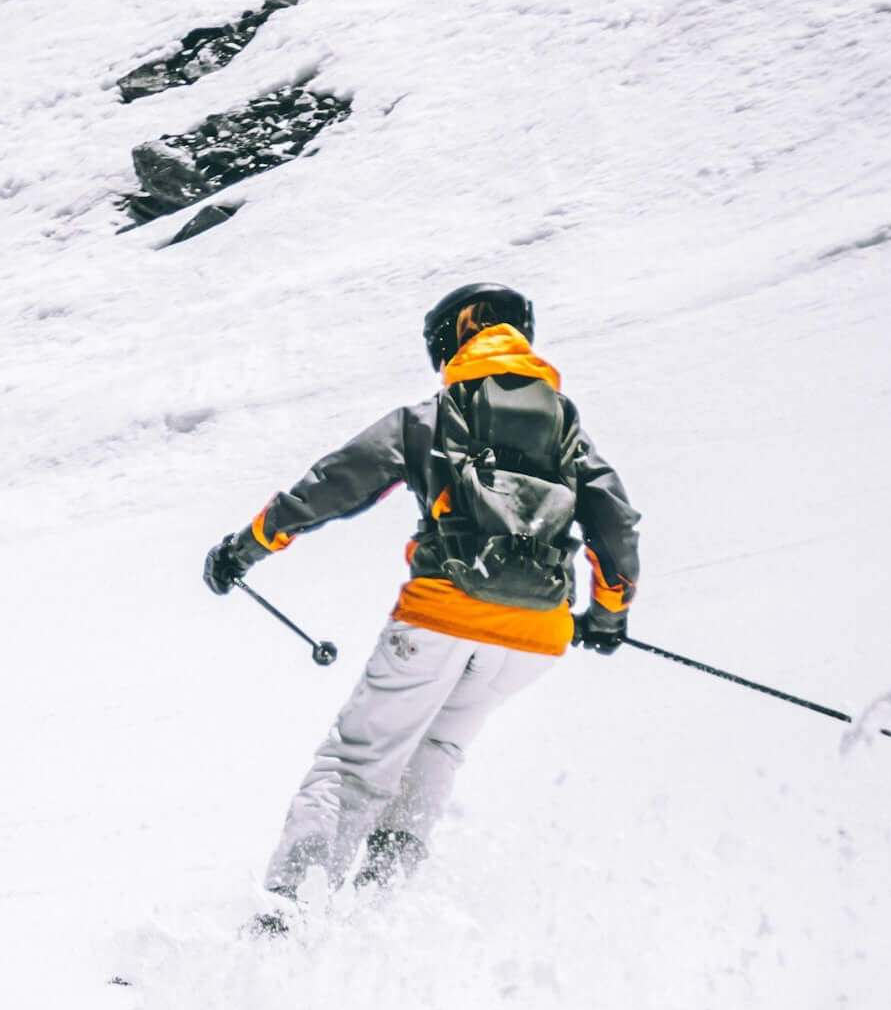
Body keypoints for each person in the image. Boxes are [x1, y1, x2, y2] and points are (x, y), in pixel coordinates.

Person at [203, 282, 640, 926]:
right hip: (534, 639)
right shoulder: (567, 427)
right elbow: (616, 527)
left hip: (440, 615)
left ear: (455, 336)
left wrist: (245, 547)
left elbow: (334, 484)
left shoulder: (433, 417)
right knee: (437, 750)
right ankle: (378, 916)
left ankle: (284, 923)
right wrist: (606, 618)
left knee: (354, 765)